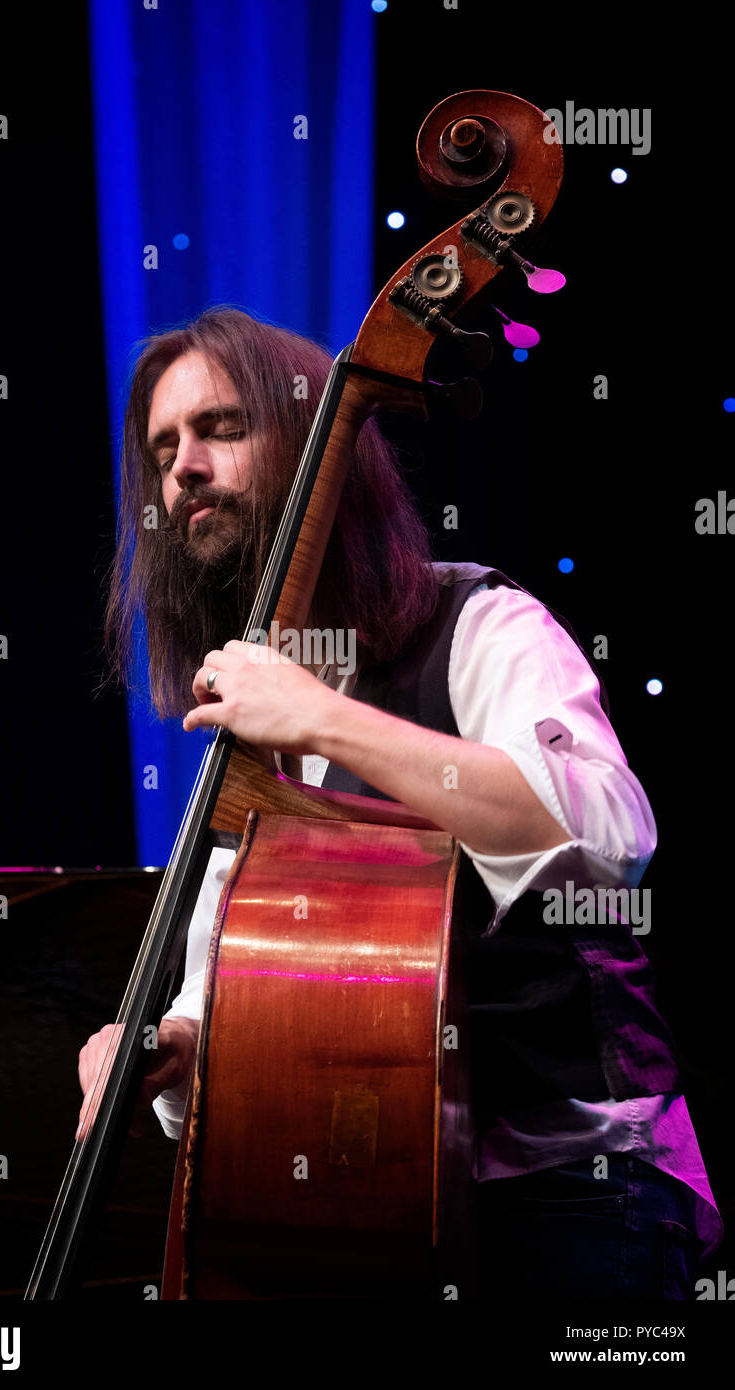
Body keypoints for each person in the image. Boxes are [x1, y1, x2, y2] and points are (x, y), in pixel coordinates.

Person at [78, 306, 723, 1298]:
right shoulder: (250, 715)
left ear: (310, 446)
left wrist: (323, 720)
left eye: (219, 428)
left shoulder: (479, 623)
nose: (181, 471)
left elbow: (605, 838)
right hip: (368, 1208)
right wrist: (169, 1048)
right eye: (163, 449)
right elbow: (248, 992)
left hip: (572, 1193)